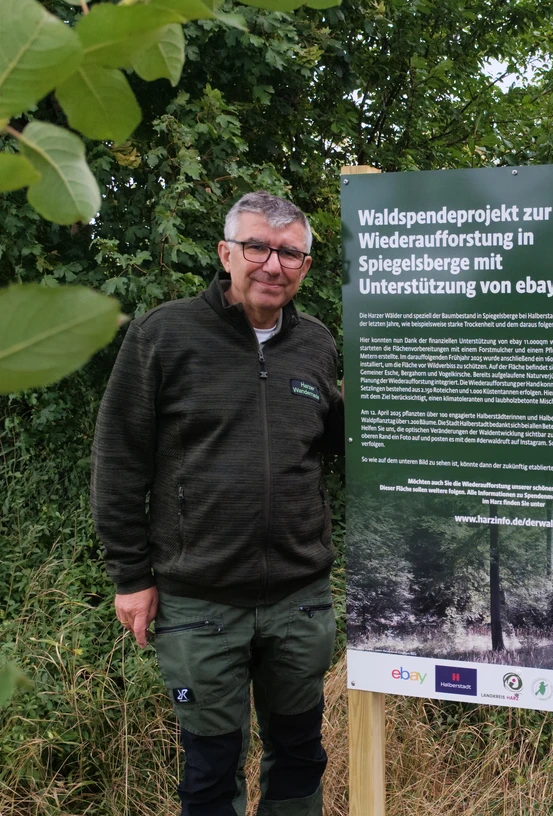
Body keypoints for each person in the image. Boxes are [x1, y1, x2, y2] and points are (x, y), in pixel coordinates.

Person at [91, 191, 344, 816]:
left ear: (306, 266)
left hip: (299, 597)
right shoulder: (165, 335)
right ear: (226, 253)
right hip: (199, 600)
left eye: (289, 253)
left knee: (300, 753)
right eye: (257, 247)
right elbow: (119, 459)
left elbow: (337, 446)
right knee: (210, 767)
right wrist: (131, 576)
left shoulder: (316, 344)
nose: (273, 265)